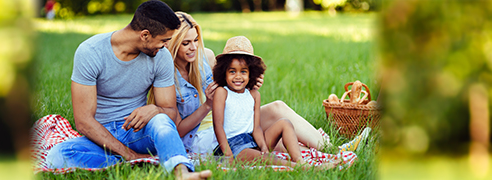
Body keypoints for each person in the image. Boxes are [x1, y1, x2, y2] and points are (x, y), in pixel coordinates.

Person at [160, 12, 370, 156]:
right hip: (202, 136)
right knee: (272, 137)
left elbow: (231, 86)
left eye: (196, 40)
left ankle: (335, 149)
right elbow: (177, 130)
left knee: (278, 113)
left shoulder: (205, 57)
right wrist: (207, 105)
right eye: (186, 43)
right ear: (174, 43)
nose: (193, 48)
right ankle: (330, 152)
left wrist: (250, 86)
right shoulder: (166, 75)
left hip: (228, 119)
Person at [45, 1, 211, 179]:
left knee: (160, 119)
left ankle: (181, 172)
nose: (165, 46)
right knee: (57, 156)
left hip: (139, 132)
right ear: (145, 35)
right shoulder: (90, 52)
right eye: (163, 40)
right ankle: (135, 162)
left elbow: (170, 112)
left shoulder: (161, 57)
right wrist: (129, 154)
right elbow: (84, 121)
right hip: (101, 136)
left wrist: (156, 109)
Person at [211, 36, 337, 169]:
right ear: (223, 72)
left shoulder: (254, 95)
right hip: (232, 146)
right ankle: (305, 168)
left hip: (251, 140)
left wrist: (264, 146)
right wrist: (228, 155)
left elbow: (256, 128)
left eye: (243, 71)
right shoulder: (222, 92)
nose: (238, 76)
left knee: (285, 123)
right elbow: (217, 125)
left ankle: (299, 160)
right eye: (232, 71)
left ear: (251, 73)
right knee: (268, 158)